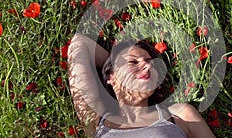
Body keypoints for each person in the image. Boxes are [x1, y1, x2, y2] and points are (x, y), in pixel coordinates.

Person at [67, 33, 216, 138]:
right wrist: (112, 67)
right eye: (133, 62)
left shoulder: (179, 115)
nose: (147, 65)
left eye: (150, 62)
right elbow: (79, 43)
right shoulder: (95, 121)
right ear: (111, 77)